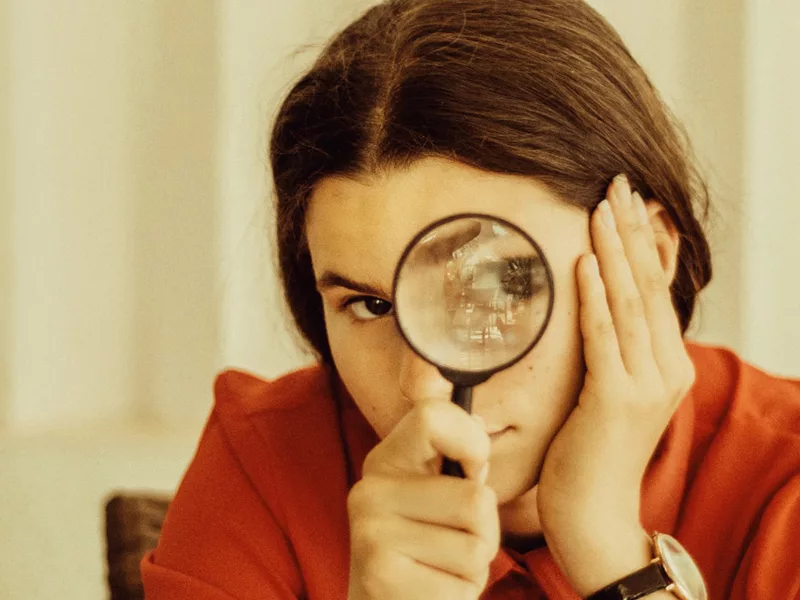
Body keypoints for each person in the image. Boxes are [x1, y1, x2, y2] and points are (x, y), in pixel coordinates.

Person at [141, 0, 800, 598]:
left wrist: (614, 555)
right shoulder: (268, 462)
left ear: (647, 258)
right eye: (370, 307)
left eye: (493, 285)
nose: (425, 384)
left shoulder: (781, 479)